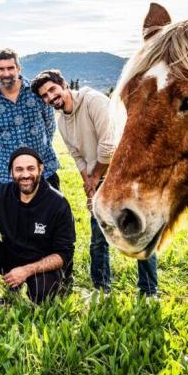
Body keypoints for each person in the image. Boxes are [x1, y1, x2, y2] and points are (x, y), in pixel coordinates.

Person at [31, 70, 158, 296]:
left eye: (52, 89)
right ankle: (101, 290)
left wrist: (94, 180)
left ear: (63, 85)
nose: (50, 97)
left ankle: (149, 292)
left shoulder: (94, 101)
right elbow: (77, 157)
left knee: (138, 233)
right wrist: (90, 188)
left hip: (126, 175)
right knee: (98, 238)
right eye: (44, 96)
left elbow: (108, 148)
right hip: (97, 180)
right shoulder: (62, 122)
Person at [0, 148, 76, 307]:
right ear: (12, 173)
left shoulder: (58, 203)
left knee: (43, 296)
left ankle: (42, 287)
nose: (25, 175)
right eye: (19, 169)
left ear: (40, 169)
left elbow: (64, 254)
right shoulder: (4, 193)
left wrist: (27, 271)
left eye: (31, 168)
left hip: (41, 264)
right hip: (11, 257)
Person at [0, 48, 59, 190]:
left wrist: (39, 146)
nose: (6, 73)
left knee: (52, 212)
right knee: (9, 213)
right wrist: (7, 151)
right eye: (1, 69)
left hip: (43, 171)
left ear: (19, 68)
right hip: (6, 176)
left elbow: (49, 125)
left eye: (10, 68)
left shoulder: (37, 93)